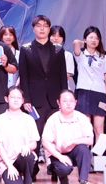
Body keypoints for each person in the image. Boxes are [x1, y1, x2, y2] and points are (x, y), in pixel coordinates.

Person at [16, 14, 68, 152]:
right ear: (33, 29)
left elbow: (62, 75)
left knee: (55, 133)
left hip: (55, 98)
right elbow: (24, 76)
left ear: (49, 29)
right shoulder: (26, 49)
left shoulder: (58, 49)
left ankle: (56, 162)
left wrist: (63, 98)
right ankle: (33, 162)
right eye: (38, 26)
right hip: (34, 99)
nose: (42, 29)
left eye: (45, 26)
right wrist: (26, 99)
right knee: (35, 133)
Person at [42, 90, 95, 184]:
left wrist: (73, 141)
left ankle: (83, 182)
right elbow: (45, 141)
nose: (68, 103)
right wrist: (60, 156)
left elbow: (90, 140)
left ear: (75, 102)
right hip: (59, 154)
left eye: (71, 101)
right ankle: (62, 178)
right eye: (65, 101)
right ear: (58, 103)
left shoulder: (82, 118)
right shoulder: (53, 119)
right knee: (63, 169)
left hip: (75, 153)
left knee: (83, 149)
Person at [0, 87, 40, 184]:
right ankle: (10, 179)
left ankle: (28, 183)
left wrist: (27, 146)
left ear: (23, 100)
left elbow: (34, 143)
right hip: (7, 162)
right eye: (12, 97)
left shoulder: (29, 119)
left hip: (23, 159)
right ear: (6, 99)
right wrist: (9, 166)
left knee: (28, 154)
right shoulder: (0, 119)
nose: (16, 100)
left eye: (19, 98)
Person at [71, 27, 106, 139]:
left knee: (99, 128)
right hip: (83, 93)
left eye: (97, 38)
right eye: (91, 37)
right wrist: (83, 43)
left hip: (100, 94)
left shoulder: (103, 57)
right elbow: (75, 43)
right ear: (85, 39)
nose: (94, 40)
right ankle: (86, 150)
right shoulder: (80, 54)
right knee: (86, 127)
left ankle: (100, 150)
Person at [0, 25, 21, 90]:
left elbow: (22, 73)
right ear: (1, 37)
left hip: (15, 89)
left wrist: (15, 87)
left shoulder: (19, 54)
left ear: (14, 38)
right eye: (5, 35)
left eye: (11, 35)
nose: (8, 37)